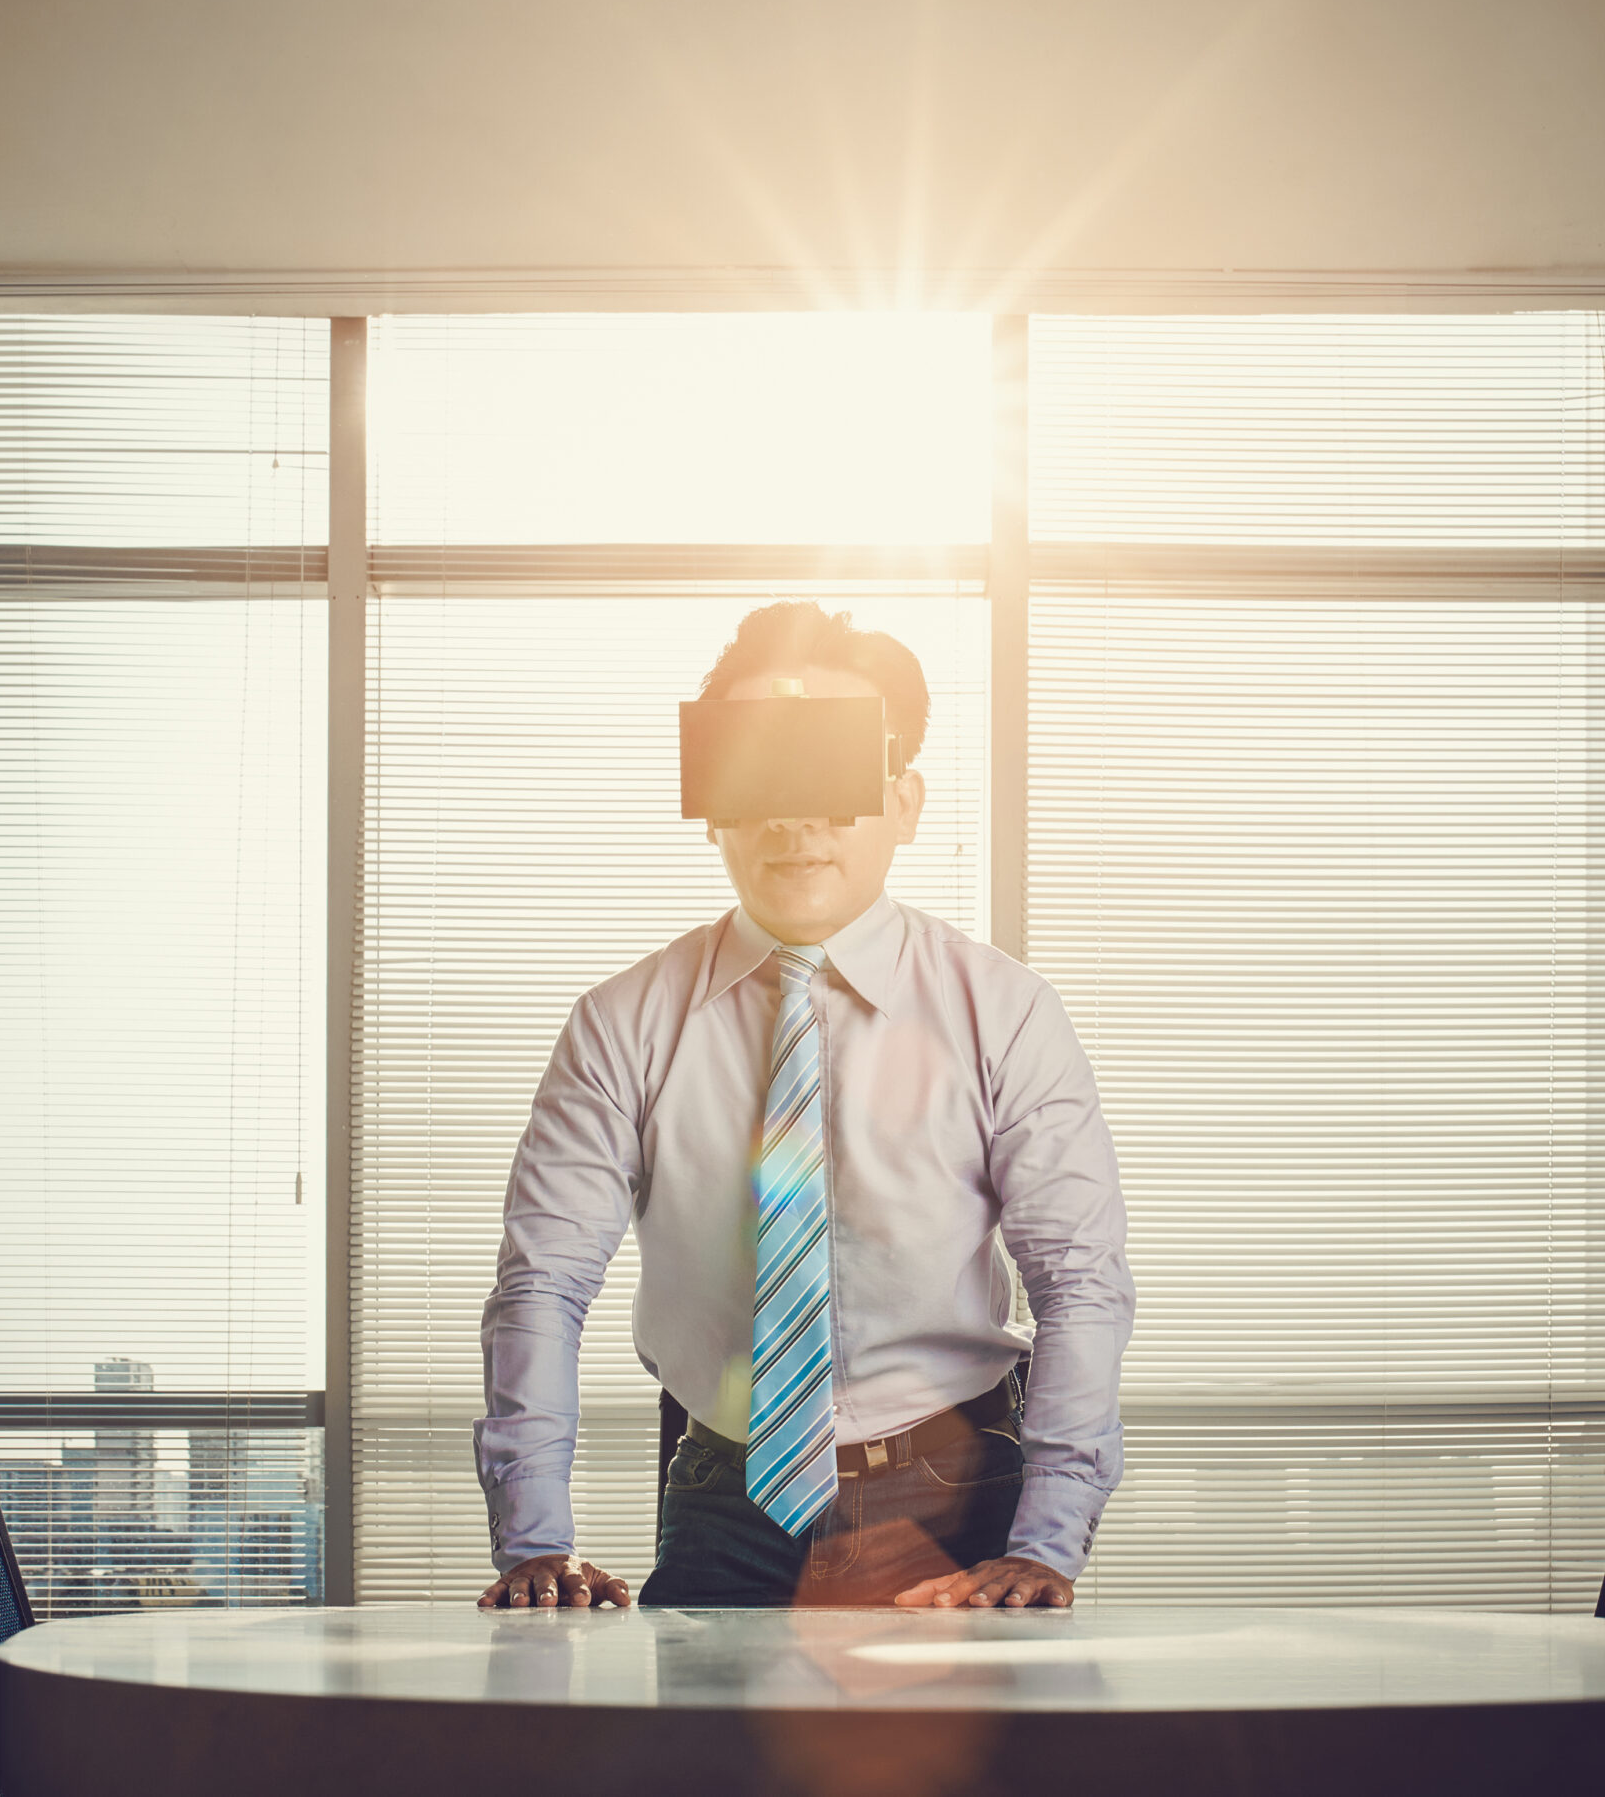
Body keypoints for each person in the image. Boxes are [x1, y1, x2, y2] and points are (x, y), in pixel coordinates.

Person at [473, 601, 1133, 1611]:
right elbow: (542, 1285)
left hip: (959, 1488)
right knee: (700, 1767)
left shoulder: (1002, 1012)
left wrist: (1047, 1545)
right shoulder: (621, 1023)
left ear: (904, 804)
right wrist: (534, 1541)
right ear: (714, 800)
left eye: (828, 769)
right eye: (761, 769)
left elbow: (1078, 1283)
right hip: (720, 1487)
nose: (795, 816)